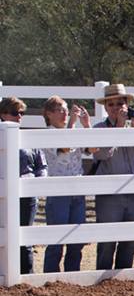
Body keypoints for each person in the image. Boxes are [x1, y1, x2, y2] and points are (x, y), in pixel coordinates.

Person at [92, 84, 134, 270]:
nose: (116, 108)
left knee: (131, 241)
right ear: (105, 107)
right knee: (107, 242)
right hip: (109, 194)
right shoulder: (99, 128)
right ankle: (101, 276)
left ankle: (122, 278)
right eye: (111, 104)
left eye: (120, 103)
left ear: (127, 105)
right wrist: (119, 128)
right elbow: (102, 155)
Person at [41, 96, 93, 272]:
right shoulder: (47, 134)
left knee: (76, 241)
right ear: (48, 114)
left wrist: (86, 125)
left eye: (66, 110)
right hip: (58, 193)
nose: (65, 113)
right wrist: (72, 124)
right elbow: (63, 149)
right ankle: (50, 276)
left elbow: (93, 149)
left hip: (77, 191)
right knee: (56, 242)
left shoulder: (74, 131)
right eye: (60, 110)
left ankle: (72, 276)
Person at [0, 97, 47, 274]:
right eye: (15, 113)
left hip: (27, 195)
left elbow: (42, 166)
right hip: (3, 195)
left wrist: (38, 182)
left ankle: (27, 276)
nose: (19, 117)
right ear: (3, 114)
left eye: (21, 113)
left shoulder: (28, 138)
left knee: (25, 238)